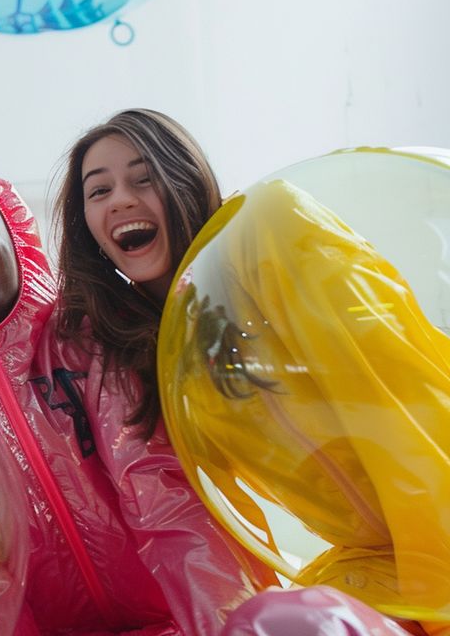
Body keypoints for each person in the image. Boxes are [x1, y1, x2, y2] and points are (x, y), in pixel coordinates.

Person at [0, 168, 272, 633]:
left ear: (21, 249)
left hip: (177, 620)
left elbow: (163, 498)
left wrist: (225, 626)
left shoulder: (89, 336)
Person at [157, 179, 450, 636]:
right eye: (98, 192)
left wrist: (440, 609)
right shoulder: (160, 352)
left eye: (144, 178)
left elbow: (408, 410)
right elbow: (218, 521)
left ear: (184, 180)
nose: (121, 199)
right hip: (372, 566)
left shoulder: (267, 224)